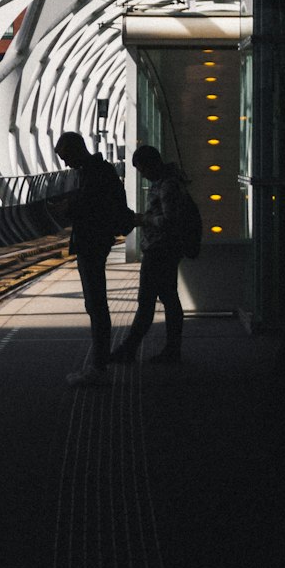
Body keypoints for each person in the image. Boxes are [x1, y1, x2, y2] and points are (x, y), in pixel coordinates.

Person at [54, 130, 126, 387]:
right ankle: (99, 362)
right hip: (97, 241)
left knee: (96, 304)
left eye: (65, 157)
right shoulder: (99, 170)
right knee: (95, 304)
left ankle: (98, 366)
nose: (65, 164)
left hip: (91, 242)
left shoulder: (93, 173)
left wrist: (69, 208)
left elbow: (91, 206)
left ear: (76, 150)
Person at [109, 144, 187, 365]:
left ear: (151, 165)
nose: (142, 175)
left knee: (150, 301)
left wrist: (143, 219)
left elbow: (169, 220)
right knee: (167, 299)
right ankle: (167, 349)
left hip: (160, 250)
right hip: (164, 250)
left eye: (142, 169)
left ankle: (132, 349)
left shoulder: (167, 186)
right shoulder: (169, 182)